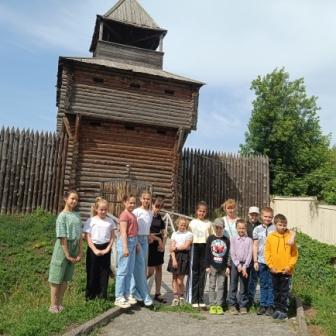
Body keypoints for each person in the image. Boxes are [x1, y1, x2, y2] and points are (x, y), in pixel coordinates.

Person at [48, 190, 82, 313]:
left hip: (74, 246)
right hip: (63, 248)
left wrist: (80, 252)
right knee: (56, 275)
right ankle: (53, 305)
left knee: (66, 277)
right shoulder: (62, 216)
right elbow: (62, 237)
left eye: (76, 199)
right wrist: (67, 254)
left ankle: (60, 304)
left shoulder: (77, 215)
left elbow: (79, 235)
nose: (74, 201)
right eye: (72, 198)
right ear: (65, 199)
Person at [265, 214, 298, 320]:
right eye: (280, 225)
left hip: (286, 271)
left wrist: (289, 266)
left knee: (284, 292)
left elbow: (294, 254)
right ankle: (277, 309)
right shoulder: (270, 237)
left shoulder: (290, 238)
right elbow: (267, 253)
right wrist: (270, 266)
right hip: (274, 270)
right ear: (275, 224)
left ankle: (284, 310)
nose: (283, 227)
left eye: (284, 225)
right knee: (276, 291)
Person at [83, 197, 116, 300]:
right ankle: (90, 296)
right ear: (96, 209)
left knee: (104, 272)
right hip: (93, 248)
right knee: (92, 271)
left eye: (105, 210)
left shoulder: (110, 221)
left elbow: (112, 236)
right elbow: (88, 237)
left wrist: (108, 248)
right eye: (101, 209)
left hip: (106, 247)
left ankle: (102, 295)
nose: (103, 211)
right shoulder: (91, 220)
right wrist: (94, 249)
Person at [114, 194, 138, 309]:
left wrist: (136, 244)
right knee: (122, 271)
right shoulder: (124, 215)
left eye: (134, 203)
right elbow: (123, 232)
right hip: (126, 243)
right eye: (130, 203)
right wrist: (125, 248)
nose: (132, 205)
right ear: (125, 202)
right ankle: (118, 297)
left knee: (129, 271)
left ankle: (127, 293)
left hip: (133, 243)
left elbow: (134, 231)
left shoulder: (132, 215)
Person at [130, 191, 153, 306]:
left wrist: (148, 236)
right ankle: (133, 291)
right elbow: (133, 227)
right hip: (137, 239)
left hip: (145, 240)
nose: (146, 201)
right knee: (136, 265)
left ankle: (139, 291)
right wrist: (136, 241)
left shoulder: (150, 213)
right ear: (140, 199)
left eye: (148, 199)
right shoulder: (136, 211)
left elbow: (147, 227)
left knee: (143, 267)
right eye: (144, 198)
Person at [188, 201, 212, 307]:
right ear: (196, 211)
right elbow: (188, 236)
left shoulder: (209, 223)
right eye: (200, 211)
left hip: (205, 247)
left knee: (203, 273)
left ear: (206, 212)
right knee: (195, 273)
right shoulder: (192, 223)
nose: (201, 213)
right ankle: (194, 299)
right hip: (195, 246)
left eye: (203, 211)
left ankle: (201, 299)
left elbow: (211, 237)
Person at [252, 206, 275, 316]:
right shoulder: (257, 229)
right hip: (261, 261)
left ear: (272, 217)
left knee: (271, 284)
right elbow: (255, 245)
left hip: (273, 262)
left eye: (269, 217)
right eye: (265, 216)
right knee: (263, 283)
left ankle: (270, 305)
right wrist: (255, 261)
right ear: (261, 217)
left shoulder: (275, 229)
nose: (267, 219)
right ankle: (263, 304)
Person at [205, 218, 230, 315]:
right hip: (212, 266)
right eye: (217, 227)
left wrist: (228, 266)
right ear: (214, 227)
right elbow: (207, 253)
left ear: (223, 228)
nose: (218, 229)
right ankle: (212, 305)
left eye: (220, 228)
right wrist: (207, 266)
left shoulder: (226, 240)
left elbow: (228, 254)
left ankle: (219, 305)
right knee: (211, 286)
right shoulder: (210, 238)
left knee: (221, 286)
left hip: (223, 267)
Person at [228, 219, 253, 315]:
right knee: (233, 284)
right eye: (239, 228)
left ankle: (243, 305)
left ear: (246, 228)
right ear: (236, 228)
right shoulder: (233, 239)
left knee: (244, 286)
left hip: (246, 266)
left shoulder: (249, 240)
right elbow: (232, 253)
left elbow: (250, 254)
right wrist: (238, 265)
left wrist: (245, 266)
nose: (241, 230)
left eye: (243, 228)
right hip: (235, 265)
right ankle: (232, 305)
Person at [167, 217, 193, 306]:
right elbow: (171, 247)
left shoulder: (189, 234)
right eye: (181, 225)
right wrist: (173, 259)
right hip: (175, 256)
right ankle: (175, 298)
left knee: (180, 280)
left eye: (184, 225)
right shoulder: (174, 234)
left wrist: (176, 247)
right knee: (174, 278)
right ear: (178, 224)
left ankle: (181, 296)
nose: (182, 226)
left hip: (184, 256)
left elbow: (186, 246)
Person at [147, 196, 167, 303]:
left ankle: (157, 293)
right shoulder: (148, 216)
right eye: (156, 206)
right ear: (152, 205)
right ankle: (136, 286)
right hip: (150, 244)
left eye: (160, 207)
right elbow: (147, 232)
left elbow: (164, 233)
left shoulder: (160, 218)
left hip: (158, 246)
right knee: (150, 272)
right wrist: (158, 240)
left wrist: (163, 244)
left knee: (159, 268)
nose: (158, 209)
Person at [246, 206, 261, 306]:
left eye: (256, 215)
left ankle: (250, 300)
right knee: (245, 279)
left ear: (258, 215)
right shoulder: (244, 225)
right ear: (248, 215)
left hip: (258, 256)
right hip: (246, 256)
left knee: (254, 279)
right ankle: (244, 299)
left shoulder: (261, 226)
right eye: (252, 214)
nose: (253, 217)